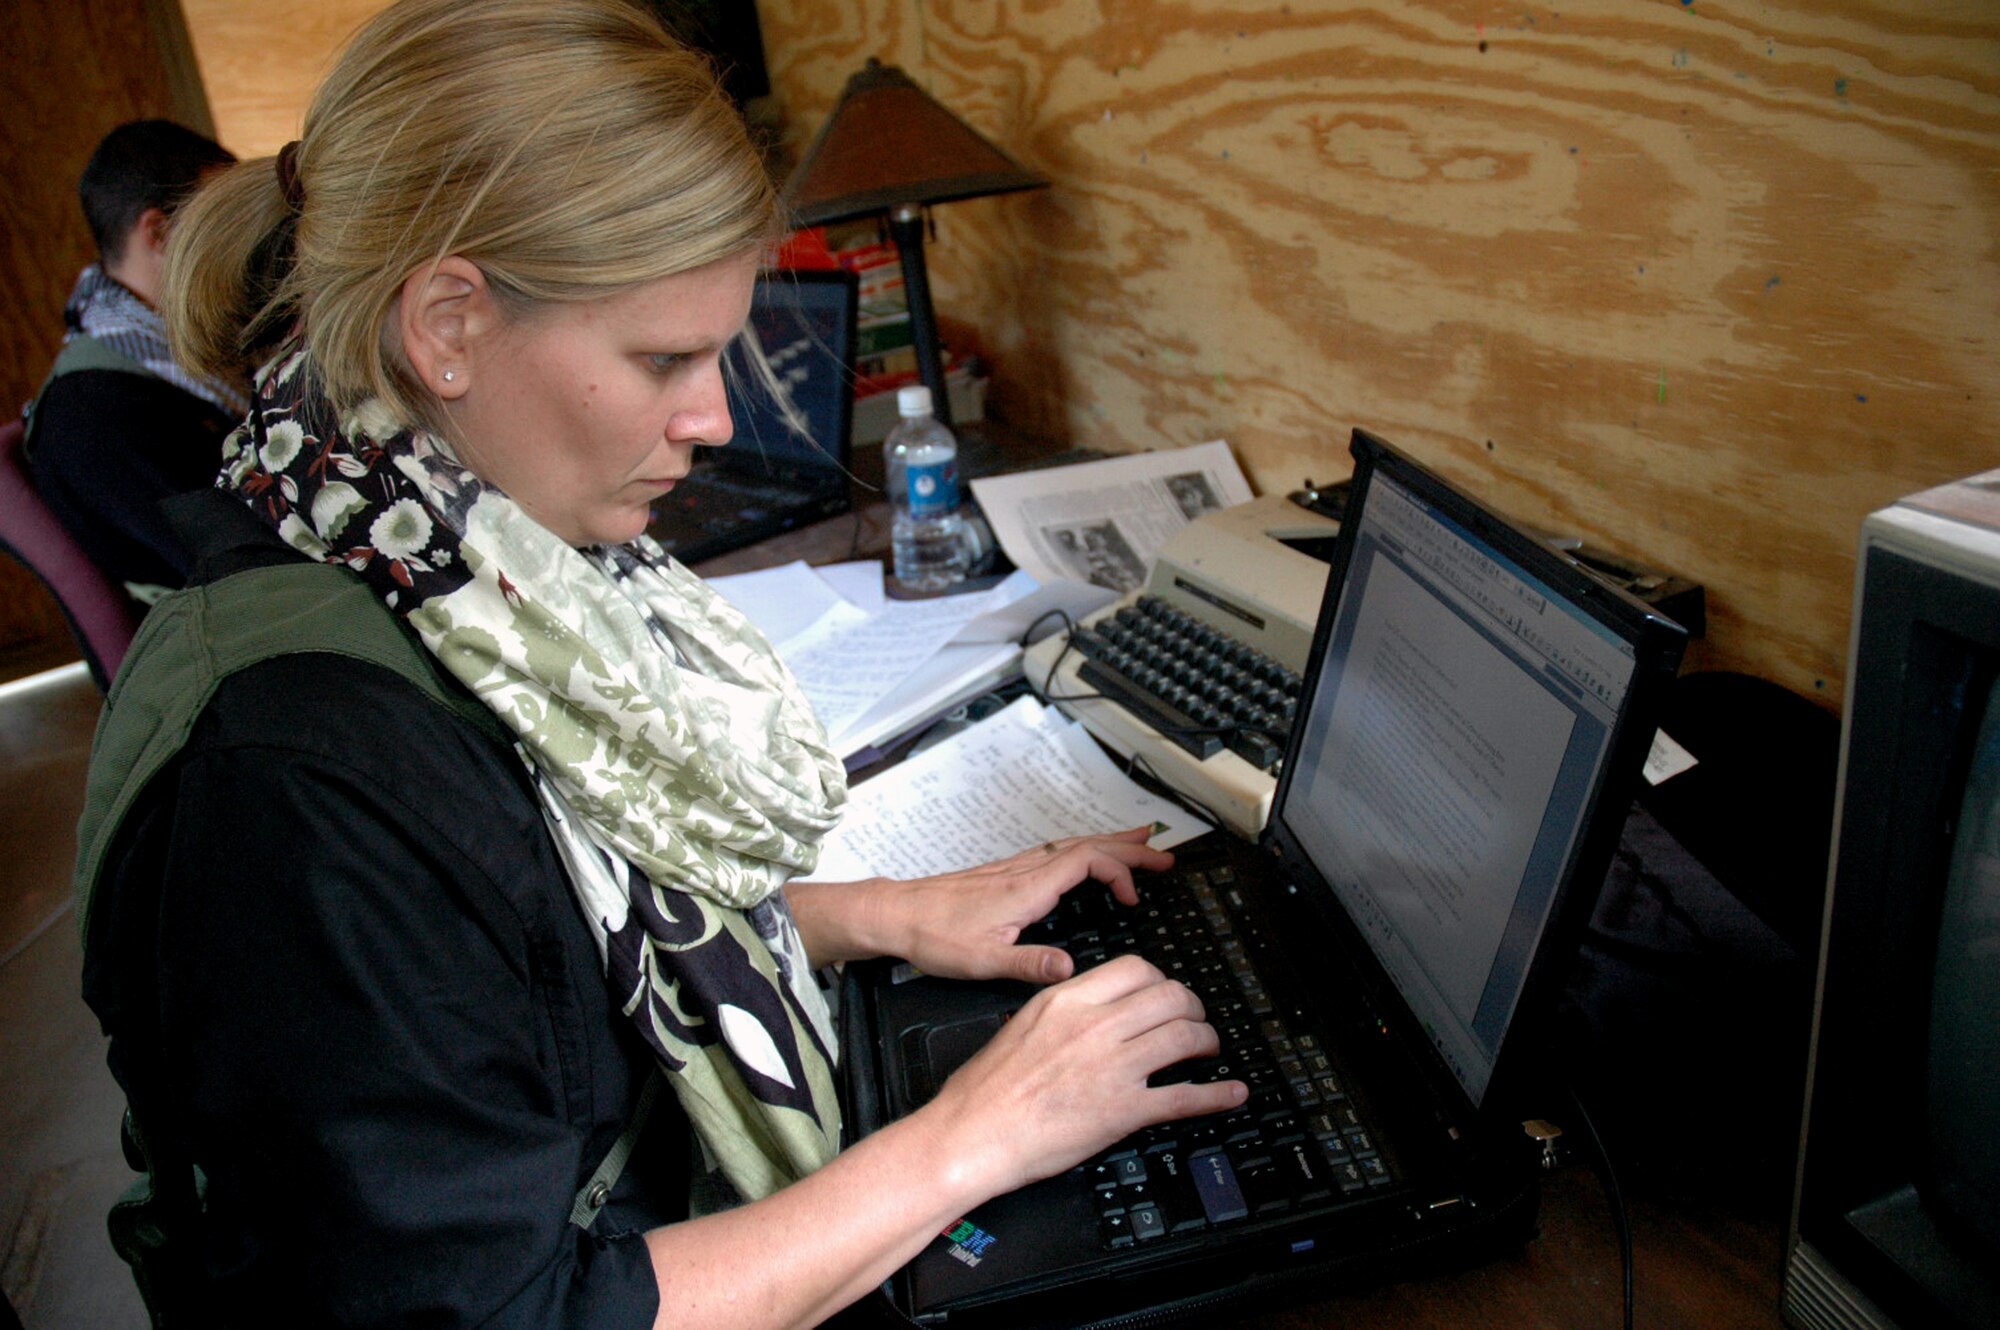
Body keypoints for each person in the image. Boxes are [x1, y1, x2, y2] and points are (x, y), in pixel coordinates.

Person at [79, 2, 1243, 1327]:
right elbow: (510, 1309)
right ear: (449, 322)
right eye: (663, 358)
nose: (712, 418)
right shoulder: (303, 782)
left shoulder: (442, 555)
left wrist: (872, 918)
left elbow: (528, 968)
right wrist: (973, 1137)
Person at [24, 119, 246, 607]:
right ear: (161, 233)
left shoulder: (192, 362)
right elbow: (243, 563)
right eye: (224, 225)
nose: (242, 248)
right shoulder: (95, 410)